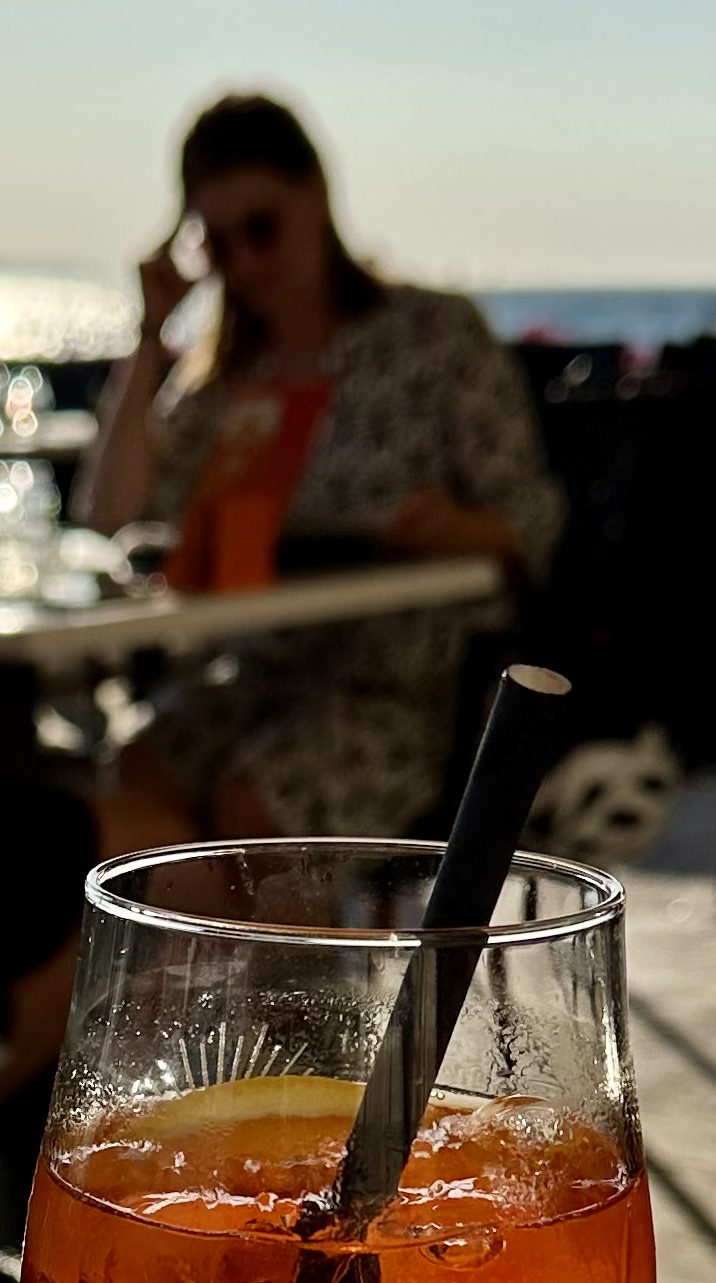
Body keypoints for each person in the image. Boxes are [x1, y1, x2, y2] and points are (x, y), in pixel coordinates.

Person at [80, 93, 559, 837]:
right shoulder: (226, 379)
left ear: (316, 197)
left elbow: (532, 521)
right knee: (135, 772)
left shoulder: (433, 335)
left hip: (394, 689)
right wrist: (149, 335)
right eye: (218, 244)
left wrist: (452, 529)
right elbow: (113, 517)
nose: (245, 262)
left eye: (262, 229)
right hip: (248, 675)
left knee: (255, 800)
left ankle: (255, 918)